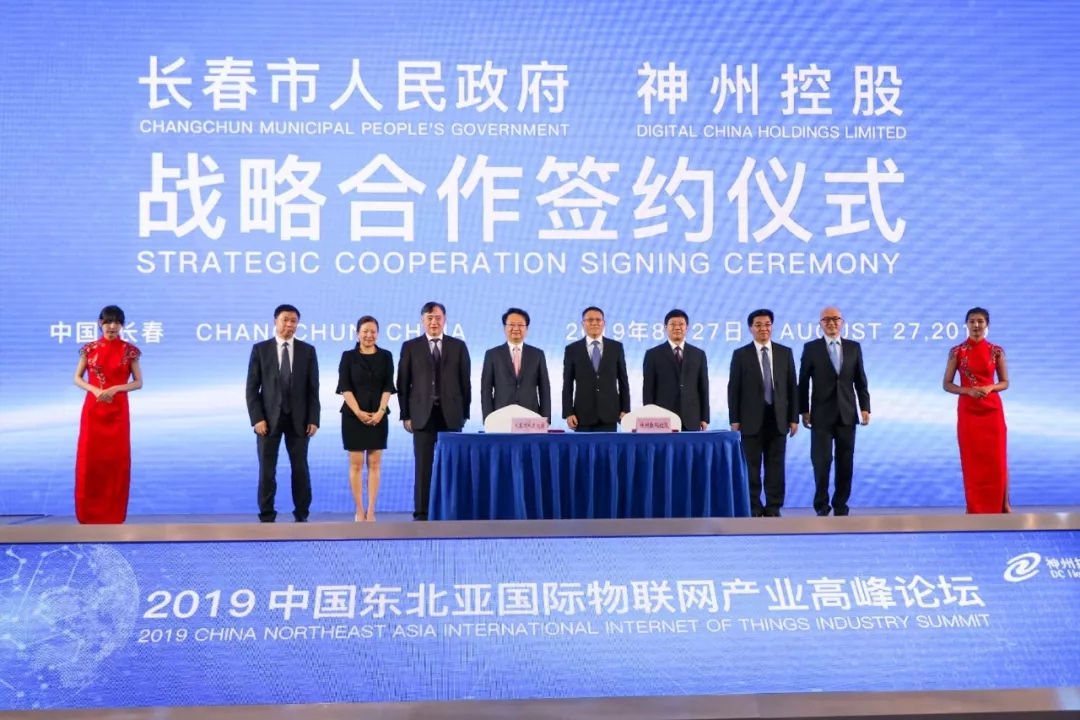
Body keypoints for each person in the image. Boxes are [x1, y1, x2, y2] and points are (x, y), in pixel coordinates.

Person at [245, 304, 320, 523]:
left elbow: (313, 389)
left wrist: (314, 419)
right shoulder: (261, 350)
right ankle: (267, 514)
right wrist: (257, 418)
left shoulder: (307, 351)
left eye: (293, 321)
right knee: (267, 470)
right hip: (267, 420)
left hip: (300, 420)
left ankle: (302, 513)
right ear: (275, 322)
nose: (289, 324)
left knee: (300, 468)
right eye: (285, 319)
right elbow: (252, 388)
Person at [398, 301, 471, 521]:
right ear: (422, 321)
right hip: (422, 415)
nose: (434, 322)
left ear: (445, 320)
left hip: (451, 414)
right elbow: (403, 383)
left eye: (438, 318)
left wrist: (464, 413)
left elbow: (465, 382)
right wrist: (405, 414)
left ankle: (453, 509)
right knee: (423, 466)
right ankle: (422, 512)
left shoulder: (458, 346)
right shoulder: (410, 347)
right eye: (429, 318)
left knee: (453, 465)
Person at [73, 305, 143, 524]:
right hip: (93, 410)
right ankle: (87, 514)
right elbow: (77, 377)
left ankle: (114, 514)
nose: (112, 326)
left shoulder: (129, 351)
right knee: (90, 460)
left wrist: (116, 388)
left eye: (117, 322)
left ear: (122, 325)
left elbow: (138, 383)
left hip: (118, 412)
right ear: (100, 323)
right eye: (108, 322)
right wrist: (94, 390)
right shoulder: (89, 349)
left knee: (116, 461)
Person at [798, 306, 871, 516]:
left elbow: (860, 380)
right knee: (821, 462)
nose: (831, 323)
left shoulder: (853, 347)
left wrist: (865, 407)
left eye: (835, 319)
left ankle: (841, 504)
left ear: (842, 322)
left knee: (845, 462)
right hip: (820, 415)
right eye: (826, 320)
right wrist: (803, 410)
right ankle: (821, 504)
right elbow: (803, 382)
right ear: (820, 324)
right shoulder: (811, 348)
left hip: (847, 413)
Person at [728, 309, 798, 517]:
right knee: (751, 466)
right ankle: (754, 506)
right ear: (751, 328)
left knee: (776, 465)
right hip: (750, 420)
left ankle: (774, 506)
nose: (763, 328)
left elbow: (792, 387)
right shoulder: (741, 355)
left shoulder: (785, 353)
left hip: (778, 418)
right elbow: (734, 389)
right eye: (758, 325)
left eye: (767, 324)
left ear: (772, 327)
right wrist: (734, 419)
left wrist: (793, 418)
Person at [943, 307, 1010, 514]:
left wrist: (990, 387)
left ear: (987, 324)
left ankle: (1003, 505)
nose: (976, 325)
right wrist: (968, 391)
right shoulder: (957, 352)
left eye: (980, 321)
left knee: (997, 458)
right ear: (966, 324)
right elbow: (947, 384)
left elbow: (1005, 382)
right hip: (969, 411)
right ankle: (974, 506)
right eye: (972, 321)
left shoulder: (996, 351)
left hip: (992, 410)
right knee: (972, 460)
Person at [337, 316, 395, 522]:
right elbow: (345, 387)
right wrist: (358, 412)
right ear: (357, 334)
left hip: (378, 416)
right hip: (353, 417)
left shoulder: (386, 356)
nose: (369, 335)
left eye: (373, 332)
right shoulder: (348, 357)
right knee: (356, 464)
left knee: (375, 463)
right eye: (365, 331)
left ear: (377, 334)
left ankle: (371, 511)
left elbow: (388, 386)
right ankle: (359, 510)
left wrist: (381, 411)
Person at [562, 306, 630, 432]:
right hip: (582, 416)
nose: (594, 323)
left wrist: (625, 409)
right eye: (590, 320)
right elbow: (567, 384)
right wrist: (568, 412)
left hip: (610, 414)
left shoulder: (616, 348)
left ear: (604, 323)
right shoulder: (572, 349)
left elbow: (623, 381)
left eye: (598, 320)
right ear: (583, 324)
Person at [642, 309, 710, 431]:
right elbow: (648, 389)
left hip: (692, 419)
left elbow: (703, 387)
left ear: (687, 328)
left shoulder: (698, 355)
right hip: (662, 420)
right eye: (672, 324)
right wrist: (649, 418)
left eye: (681, 324)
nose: (677, 328)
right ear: (665, 328)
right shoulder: (653, 355)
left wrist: (704, 418)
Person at [481, 308, 551, 423]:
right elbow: (486, 389)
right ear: (505, 328)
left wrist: (545, 419)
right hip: (500, 415)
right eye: (511, 324)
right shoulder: (492, 355)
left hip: (531, 415)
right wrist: (488, 418)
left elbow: (544, 388)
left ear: (527, 328)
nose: (516, 328)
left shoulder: (537, 354)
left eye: (520, 325)